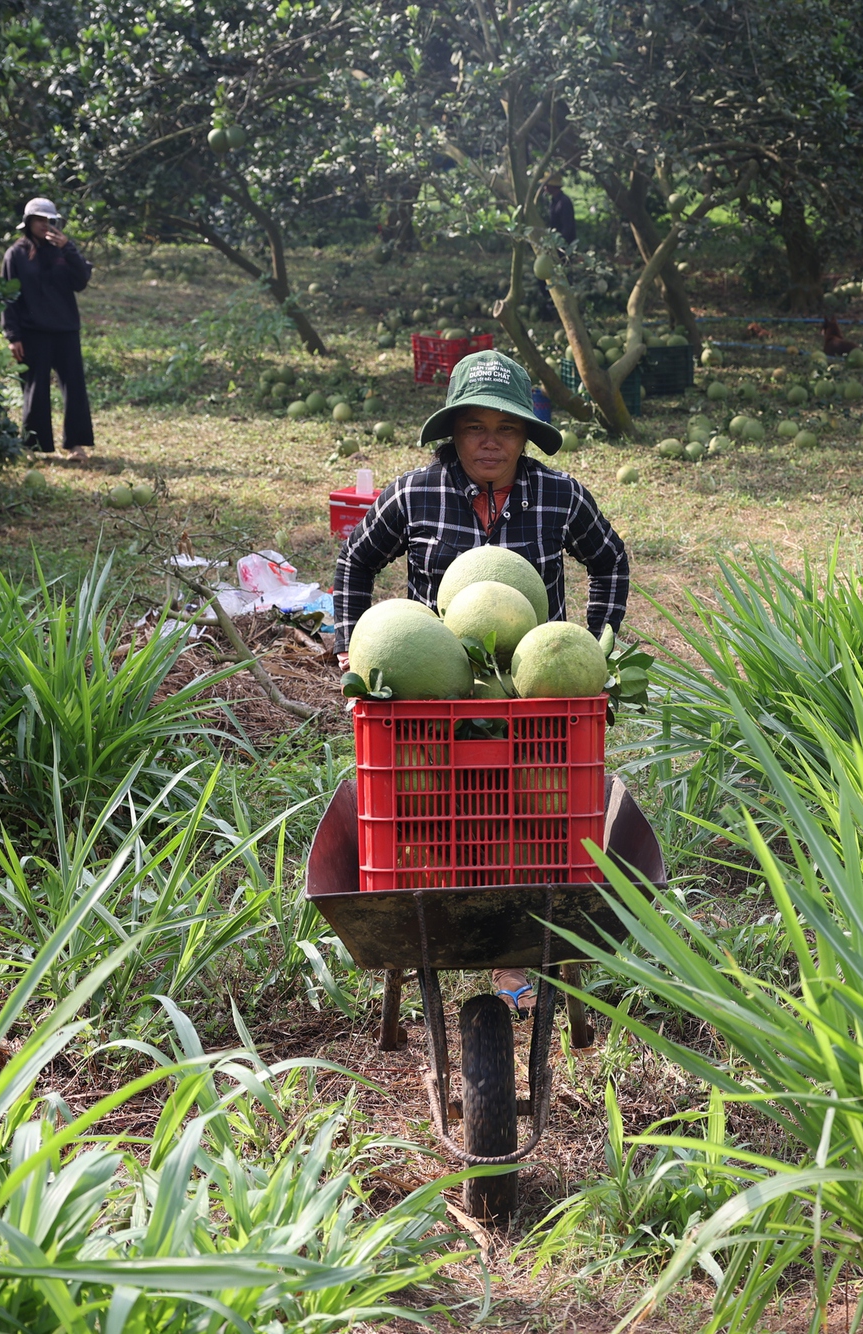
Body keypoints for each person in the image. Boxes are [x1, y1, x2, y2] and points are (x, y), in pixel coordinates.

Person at [334, 350, 629, 1017]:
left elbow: (609, 561)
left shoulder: (559, 495)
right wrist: (349, 643)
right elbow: (356, 559)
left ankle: (514, 946)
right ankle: (450, 921)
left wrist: (597, 646)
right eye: (474, 426)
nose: (490, 440)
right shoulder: (415, 493)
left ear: (526, 435)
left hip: (532, 698)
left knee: (530, 818)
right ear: (453, 434)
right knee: (435, 814)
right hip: (429, 698)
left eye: (506, 427)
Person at [1, 197, 94, 458]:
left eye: (48, 220)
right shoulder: (15, 254)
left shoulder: (63, 250)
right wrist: (13, 335)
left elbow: (81, 281)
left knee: (74, 388)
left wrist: (69, 249)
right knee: (35, 389)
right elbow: (7, 297)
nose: (44, 224)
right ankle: (32, 445)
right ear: (28, 222)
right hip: (32, 332)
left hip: (65, 329)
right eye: (38, 219)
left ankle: (76, 444)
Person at [534, 173, 577, 318]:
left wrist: (558, 246)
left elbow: (568, 228)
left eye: (546, 185)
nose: (544, 188)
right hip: (553, 245)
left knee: (563, 277)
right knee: (545, 279)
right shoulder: (553, 201)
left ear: (553, 186)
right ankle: (550, 306)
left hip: (562, 247)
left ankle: (565, 309)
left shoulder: (564, 202)